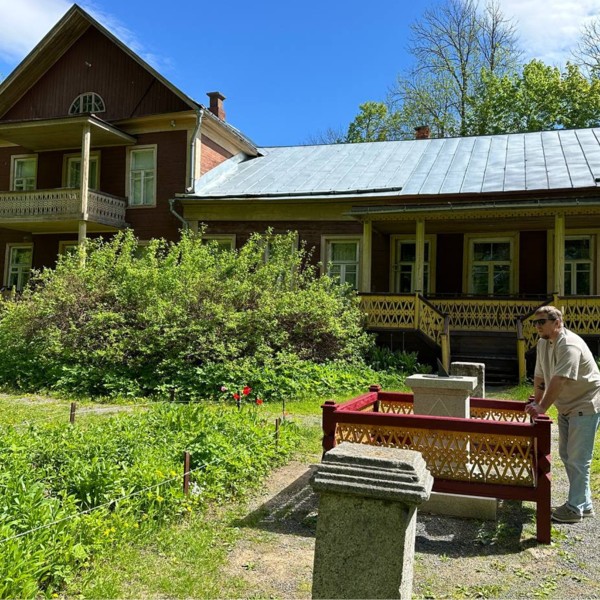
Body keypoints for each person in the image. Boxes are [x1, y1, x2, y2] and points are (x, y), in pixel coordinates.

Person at [524, 306, 600, 523]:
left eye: (542, 322)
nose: (537, 326)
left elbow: (559, 379)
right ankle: (583, 505)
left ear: (557, 322)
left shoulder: (569, 344)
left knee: (578, 459)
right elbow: (540, 377)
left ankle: (575, 508)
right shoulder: (542, 343)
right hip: (566, 406)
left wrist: (541, 408)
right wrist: (536, 403)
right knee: (567, 456)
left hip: (586, 404)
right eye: (535, 322)